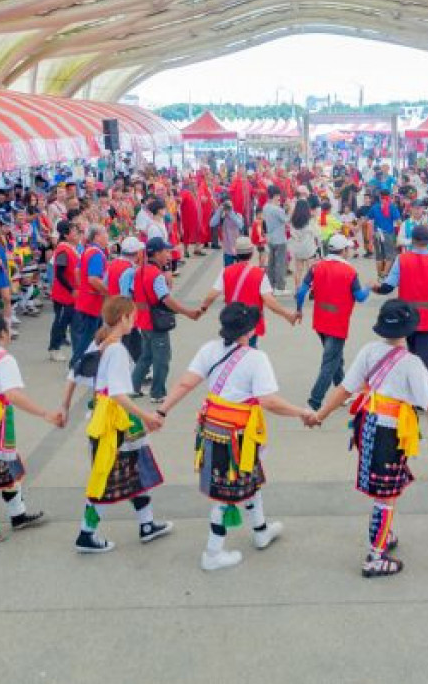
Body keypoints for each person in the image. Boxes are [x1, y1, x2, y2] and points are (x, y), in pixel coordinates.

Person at [312, 300, 428, 578]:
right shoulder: (412, 363)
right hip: (390, 430)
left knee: (383, 489)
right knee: (387, 494)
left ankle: (385, 532)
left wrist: (320, 414)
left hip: (366, 423)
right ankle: (375, 555)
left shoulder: (369, 351)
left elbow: (346, 388)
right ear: (410, 330)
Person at [157, 304, 312, 571]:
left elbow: (185, 383)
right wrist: (302, 412)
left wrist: (162, 410)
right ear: (251, 329)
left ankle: (261, 530)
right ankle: (212, 553)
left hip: (212, 428)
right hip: (239, 435)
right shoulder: (256, 358)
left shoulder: (209, 349)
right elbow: (269, 401)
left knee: (250, 480)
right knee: (226, 494)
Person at [60, 297, 172, 554]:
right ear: (123, 318)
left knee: (132, 470)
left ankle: (147, 524)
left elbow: (73, 374)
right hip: (116, 419)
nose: (135, 321)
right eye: (133, 317)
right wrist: (147, 416)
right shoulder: (117, 350)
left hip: (105, 415)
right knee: (107, 476)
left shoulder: (100, 341)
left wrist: (65, 406)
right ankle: (86, 534)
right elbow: (120, 394)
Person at [0, 312, 66, 547]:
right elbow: (13, 395)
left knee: (5, 467)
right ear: (2, 334)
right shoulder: (4, 360)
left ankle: (18, 514)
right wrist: (45, 413)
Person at [296, 234, 371, 411]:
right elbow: (360, 297)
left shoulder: (316, 267)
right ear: (343, 251)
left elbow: (301, 292)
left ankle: (343, 389)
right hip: (338, 323)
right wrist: (369, 287)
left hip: (320, 320)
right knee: (330, 362)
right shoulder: (350, 271)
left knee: (335, 356)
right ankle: (314, 401)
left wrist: (299, 310)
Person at [130, 237, 201, 403]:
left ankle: (133, 387)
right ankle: (157, 393)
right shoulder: (156, 275)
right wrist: (187, 312)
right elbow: (166, 299)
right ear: (156, 253)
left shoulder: (139, 270)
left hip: (143, 319)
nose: (168, 255)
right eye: (165, 251)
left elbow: (134, 293)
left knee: (146, 356)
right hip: (155, 322)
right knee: (161, 359)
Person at [375, 225, 428, 374]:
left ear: (412, 241)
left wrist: (375, 287)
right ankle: (424, 392)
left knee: (410, 356)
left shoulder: (402, 259)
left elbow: (388, 287)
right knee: (425, 360)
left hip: (406, 317)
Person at [198, 236, 298, 347]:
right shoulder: (259, 274)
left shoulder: (226, 272)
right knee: (248, 355)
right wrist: (287, 315)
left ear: (236, 252)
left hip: (232, 322)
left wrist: (202, 309)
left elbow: (212, 295)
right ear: (251, 252)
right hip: (250, 325)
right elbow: (270, 302)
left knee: (231, 353)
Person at [71, 226, 108, 367]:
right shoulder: (97, 253)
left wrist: (83, 288)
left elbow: (77, 271)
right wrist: (108, 292)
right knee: (88, 336)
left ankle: (88, 361)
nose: (107, 236)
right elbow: (94, 279)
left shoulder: (88, 250)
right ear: (97, 236)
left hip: (86, 299)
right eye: (104, 233)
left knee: (91, 334)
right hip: (93, 301)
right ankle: (76, 363)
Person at [47, 220, 80, 362]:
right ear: (66, 235)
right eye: (74, 231)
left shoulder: (71, 248)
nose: (77, 234)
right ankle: (54, 348)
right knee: (60, 322)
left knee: (70, 322)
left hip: (70, 294)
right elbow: (59, 273)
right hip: (63, 294)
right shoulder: (62, 250)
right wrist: (71, 289)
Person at [368, 190, 403, 280]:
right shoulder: (392, 207)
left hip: (377, 234)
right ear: (389, 197)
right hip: (388, 234)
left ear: (380, 196)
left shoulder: (375, 207)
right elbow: (399, 222)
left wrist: (357, 227)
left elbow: (368, 218)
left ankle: (379, 276)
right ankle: (385, 275)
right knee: (390, 256)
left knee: (379, 256)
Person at [286, 198, 319, 291]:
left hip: (297, 249)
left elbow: (291, 232)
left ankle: (297, 289)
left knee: (298, 270)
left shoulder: (293, 220)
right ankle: (313, 289)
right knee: (311, 270)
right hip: (309, 248)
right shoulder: (310, 220)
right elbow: (317, 233)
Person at [263, 186, 289, 293]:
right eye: (278, 195)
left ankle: (271, 285)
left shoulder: (266, 207)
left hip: (271, 238)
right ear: (275, 196)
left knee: (271, 263)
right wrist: (290, 210)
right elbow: (286, 220)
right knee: (280, 263)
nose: (279, 197)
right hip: (280, 239)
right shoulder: (277, 209)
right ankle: (280, 287)